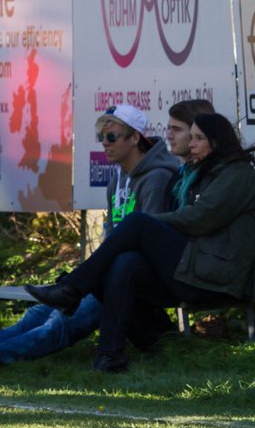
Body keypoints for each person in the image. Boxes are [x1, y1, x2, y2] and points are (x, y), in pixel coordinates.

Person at [0, 103, 180, 373]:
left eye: (112, 136)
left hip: (124, 282)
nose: (104, 142)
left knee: (56, 324)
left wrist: (97, 278)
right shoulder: (117, 178)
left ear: (135, 138)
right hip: (103, 276)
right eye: (101, 136)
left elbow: (144, 243)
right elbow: (111, 235)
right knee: (34, 317)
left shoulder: (156, 178)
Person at [26, 113, 255, 373]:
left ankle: (71, 289)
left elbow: (202, 218)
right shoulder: (199, 172)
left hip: (220, 275)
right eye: (190, 137)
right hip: (199, 266)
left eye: (199, 138)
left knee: (137, 223)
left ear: (217, 141)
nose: (191, 144)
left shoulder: (238, 173)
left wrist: (153, 225)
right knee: (123, 263)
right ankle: (113, 355)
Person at [166, 98, 216, 209]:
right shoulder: (178, 177)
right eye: (168, 128)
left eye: (176, 129)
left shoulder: (216, 177)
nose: (169, 135)